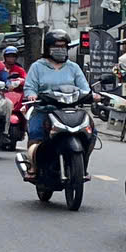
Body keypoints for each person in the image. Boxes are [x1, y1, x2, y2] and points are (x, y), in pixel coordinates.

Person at [21, 30, 92, 171]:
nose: (60, 49)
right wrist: (32, 95)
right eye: (56, 46)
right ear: (48, 48)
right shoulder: (37, 67)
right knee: (35, 132)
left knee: (91, 132)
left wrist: (92, 95)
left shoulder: (73, 68)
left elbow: (84, 89)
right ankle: (33, 166)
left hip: (70, 111)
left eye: (63, 46)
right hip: (44, 110)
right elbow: (30, 87)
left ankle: (83, 164)